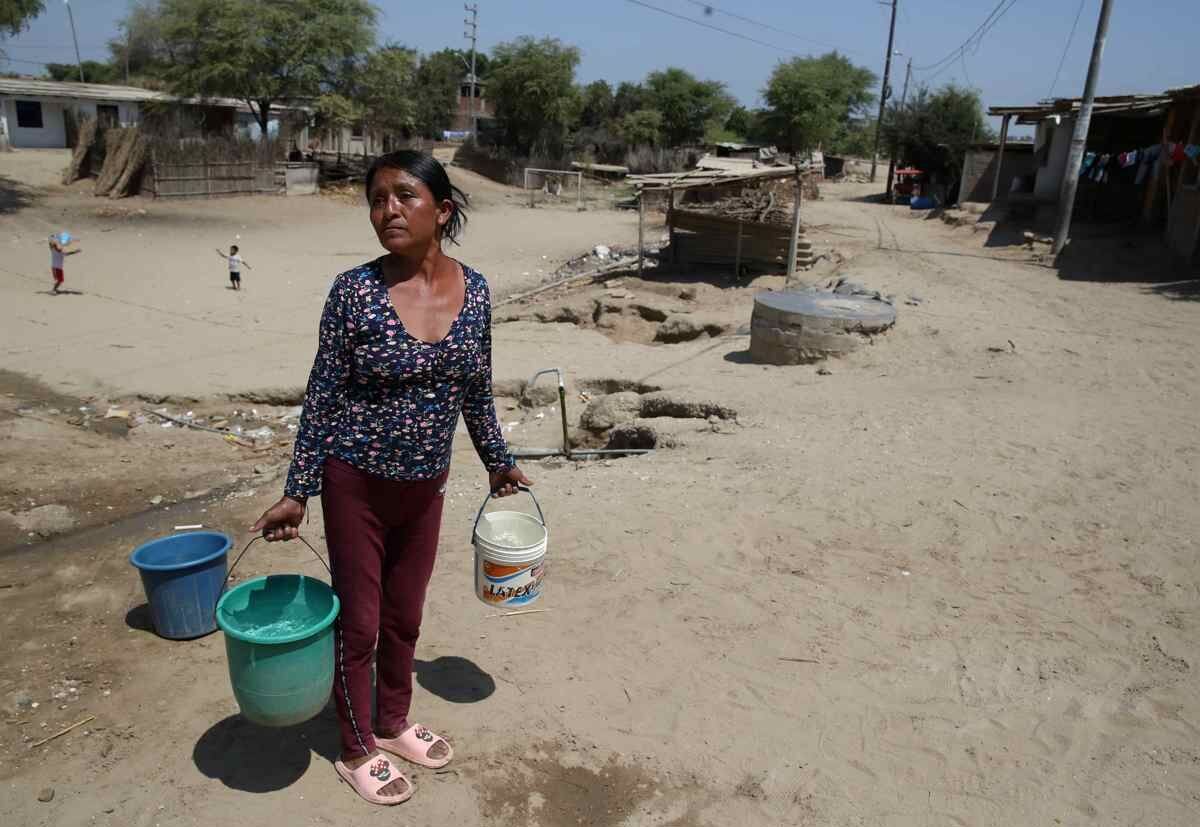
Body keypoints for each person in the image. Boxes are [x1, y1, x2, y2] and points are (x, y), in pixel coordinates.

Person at [251, 150, 531, 807]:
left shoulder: (478, 290)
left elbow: (475, 390)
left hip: (425, 487)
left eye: (404, 196)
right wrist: (300, 487)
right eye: (377, 200)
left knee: (405, 616)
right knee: (361, 624)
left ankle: (392, 718)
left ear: (443, 210)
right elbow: (323, 392)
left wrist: (497, 460)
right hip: (357, 486)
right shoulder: (354, 292)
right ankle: (356, 747)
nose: (387, 211)